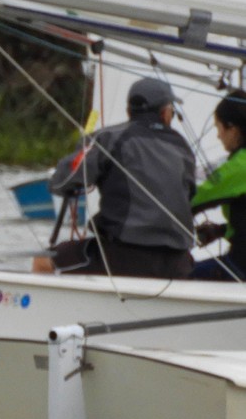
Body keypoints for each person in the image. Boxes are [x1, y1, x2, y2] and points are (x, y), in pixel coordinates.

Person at [39, 76, 196, 278]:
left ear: (129, 111)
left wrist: (81, 152)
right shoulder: (183, 148)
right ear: (165, 113)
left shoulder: (109, 138)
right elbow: (189, 195)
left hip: (121, 257)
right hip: (177, 263)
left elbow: (61, 182)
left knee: (43, 261)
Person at [190, 89, 246, 281]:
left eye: (219, 128)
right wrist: (221, 230)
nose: (218, 136)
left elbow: (194, 198)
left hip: (241, 266)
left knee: (181, 277)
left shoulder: (239, 166)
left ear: (233, 129)